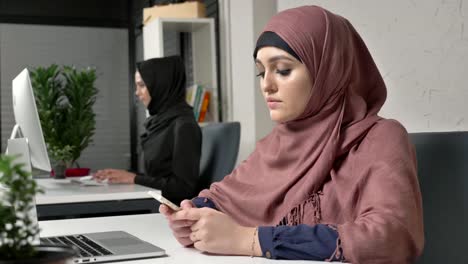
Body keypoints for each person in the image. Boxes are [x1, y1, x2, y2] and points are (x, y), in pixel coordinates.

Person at [160, 5, 424, 263]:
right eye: (261, 72)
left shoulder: (380, 137)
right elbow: (225, 196)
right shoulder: (278, 142)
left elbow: (391, 236)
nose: (267, 85)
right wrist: (193, 215)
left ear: (328, 69)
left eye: (283, 70)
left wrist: (249, 240)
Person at [94, 56, 202, 205]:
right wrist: (124, 176)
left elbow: (183, 189)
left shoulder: (184, 126)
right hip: (151, 203)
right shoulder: (160, 122)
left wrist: (133, 178)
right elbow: (157, 177)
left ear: (162, 85)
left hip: (165, 211)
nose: (137, 92)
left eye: (142, 85)